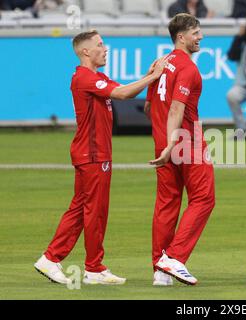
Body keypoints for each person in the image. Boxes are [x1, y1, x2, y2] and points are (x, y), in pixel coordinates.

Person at [34, 30, 167, 285]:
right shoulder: (84, 77)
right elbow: (123, 95)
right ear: (86, 51)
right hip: (92, 154)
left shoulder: (96, 76)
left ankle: (81, 265)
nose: (105, 49)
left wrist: (149, 77)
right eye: (100, 44)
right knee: (93, 211)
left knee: (85, 209)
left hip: (93, 152)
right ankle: (65, 261)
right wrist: (153, 77)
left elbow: (124, 89)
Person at [144, 13, 215, 286]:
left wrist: (164, 141)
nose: (201, 37)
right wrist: (174, 142)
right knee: (204, 199)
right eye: (196, 32)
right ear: (181, 37)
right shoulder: (187, 68)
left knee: (167, 203)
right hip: (186, 142)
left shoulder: (161, 65)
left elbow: (151, 106)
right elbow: (176, 107)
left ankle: (160, 272)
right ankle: (173, 258)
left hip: (163, 141)